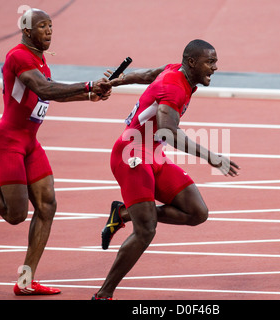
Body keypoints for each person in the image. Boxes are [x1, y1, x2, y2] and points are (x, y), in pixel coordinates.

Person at [0, 8, 111, 296]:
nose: (49, 30)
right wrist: (87, 84)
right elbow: (45, 89)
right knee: (15, 216)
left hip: (29, 143)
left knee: (47, 207)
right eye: (42, 26)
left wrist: (90, 95)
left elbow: (49, 94)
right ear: (27, 31)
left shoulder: (40, 61)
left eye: (51, 26)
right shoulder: (19, 56)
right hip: (7, 142)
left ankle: (26, 280)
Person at [92, 39, 240, 300]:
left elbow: (148, 74)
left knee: (197, 212)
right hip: (132, 155)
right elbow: (167, 131)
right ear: (192, 62)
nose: (215, 68)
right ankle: (104, 294)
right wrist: (211, 156)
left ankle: (123, 213)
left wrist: (119, 80)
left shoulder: (176, 70)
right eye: (211, 62)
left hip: (153, 155)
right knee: (146, 231)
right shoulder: (174, 86)